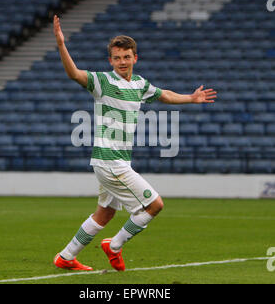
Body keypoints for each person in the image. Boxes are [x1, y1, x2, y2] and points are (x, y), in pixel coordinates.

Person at [52, 15, 217, 271]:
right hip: (110, 162)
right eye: (117, 58)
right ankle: (114, 245)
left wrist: (191, 98)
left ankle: (66, 256)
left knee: (105, 214)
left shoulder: (140, 84)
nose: (121, 62)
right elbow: (73, 73)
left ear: (134, 58)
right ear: (111, 60)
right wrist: (62, 44)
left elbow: (165, 95)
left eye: (126, 57)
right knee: (155, 205)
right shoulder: (103, 82)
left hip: (117, 160)